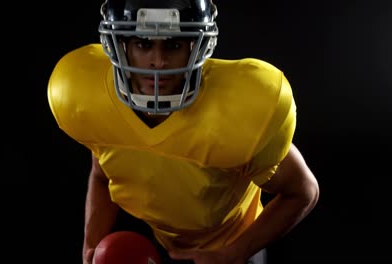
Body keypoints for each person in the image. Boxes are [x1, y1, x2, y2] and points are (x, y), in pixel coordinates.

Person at [47, 0, 320, 263]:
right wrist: (91, 246)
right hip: (159, 242)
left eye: (174, 45)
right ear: (120, 45)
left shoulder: (239, 111)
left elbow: (303, 190)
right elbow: (102, 174)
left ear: (195, 47)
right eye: (143, 44)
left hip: (232, 245)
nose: (158, 62)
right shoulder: (91, 101)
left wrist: (232, 254)